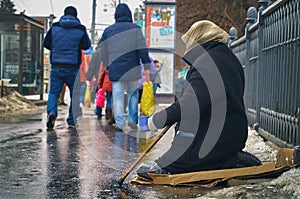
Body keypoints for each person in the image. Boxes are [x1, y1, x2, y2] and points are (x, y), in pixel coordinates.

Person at [137, 20, 261, 179]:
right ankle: (227, 158)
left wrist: (158, 120)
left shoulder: (207, 63)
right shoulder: (225, 57)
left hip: (213, 138)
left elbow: (192, 103)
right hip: (231, 133)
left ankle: (180, 165)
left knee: (175, 163)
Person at [89, 3, 151, 132]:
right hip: (132, 67)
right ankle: (133, 122)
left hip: (116, 68)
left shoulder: (109, 30)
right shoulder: (135, 29)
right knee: (133, 94)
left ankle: (120, 124)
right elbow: (142, 48)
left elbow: (102, 49)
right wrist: (146, 64)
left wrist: (107, 64)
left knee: (117, 96)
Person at [43, 6, 91, 129]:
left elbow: (46, 43)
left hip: (56, 66)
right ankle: (71, 120)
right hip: (73, 68)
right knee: (75, 94)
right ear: (76, 16)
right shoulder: (80, 29)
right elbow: (86, 46)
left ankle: (52, 112)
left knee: (53, 92)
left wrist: (57, 48)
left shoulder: (55, 27)